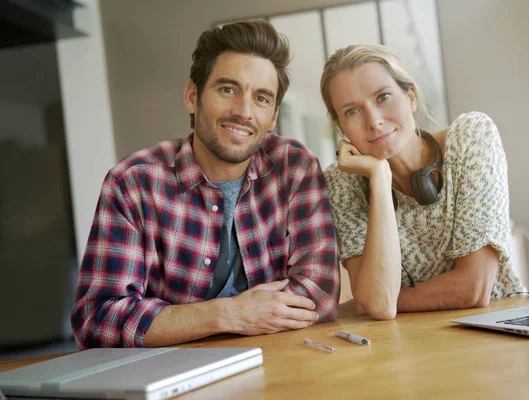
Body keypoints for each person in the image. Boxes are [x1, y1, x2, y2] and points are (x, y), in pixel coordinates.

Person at [71, 21, 340, 349]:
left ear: (272, 116)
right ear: (192, 96)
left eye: (261, 98)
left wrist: (173, 322)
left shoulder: (294, 166)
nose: (243, 112)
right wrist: (227, 314)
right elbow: (97, 319)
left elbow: (320, 294)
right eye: (228, 89)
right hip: (172, 378)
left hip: (280, 365)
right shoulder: (133, 183)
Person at [320, 44, 522, 320]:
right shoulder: (342, 181)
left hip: (496, 329)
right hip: (409, 345)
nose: (374, 121)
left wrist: (388, 299)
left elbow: (474, 288)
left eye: (383, 97)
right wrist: (380, 178)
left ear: (411, 97)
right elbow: (379, 303)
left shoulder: (471, 138)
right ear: (341, 126)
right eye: (352, 111)